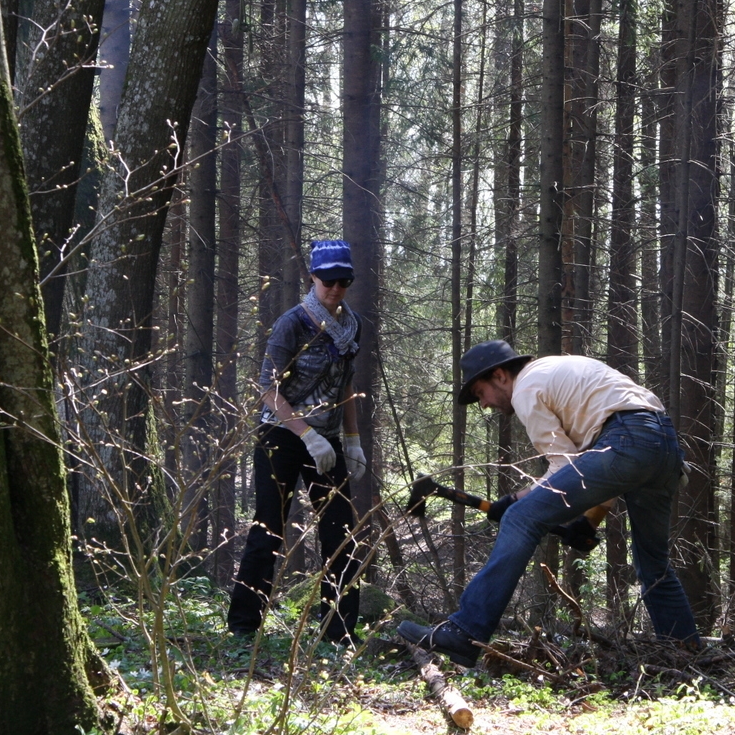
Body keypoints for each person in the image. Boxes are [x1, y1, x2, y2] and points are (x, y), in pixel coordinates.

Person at [399, 340, 701, 666]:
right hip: (663, 447)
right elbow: (605, 457)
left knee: (520, 519)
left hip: (626, 441)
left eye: (479, 392)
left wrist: (514, 502)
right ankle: (685, 655)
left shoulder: (527, 386)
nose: (483, 404)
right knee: (653, 564)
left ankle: (465, 631)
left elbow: (566, 466)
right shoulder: (556, 371)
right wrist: (589, 522)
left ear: (500, 375)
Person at [227, 240, 366, 643]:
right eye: (328, 281)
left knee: (341, 533)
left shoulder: (352, 325)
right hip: (281, 436)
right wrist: (305, 434)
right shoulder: (293, 322)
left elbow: (345, 384)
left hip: (328, 438)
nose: (335, 289)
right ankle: (243, 629)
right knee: (269, 528)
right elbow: (267, 388)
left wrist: (351, 440)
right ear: (312, 278)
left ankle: (338, 634)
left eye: (343, 281)